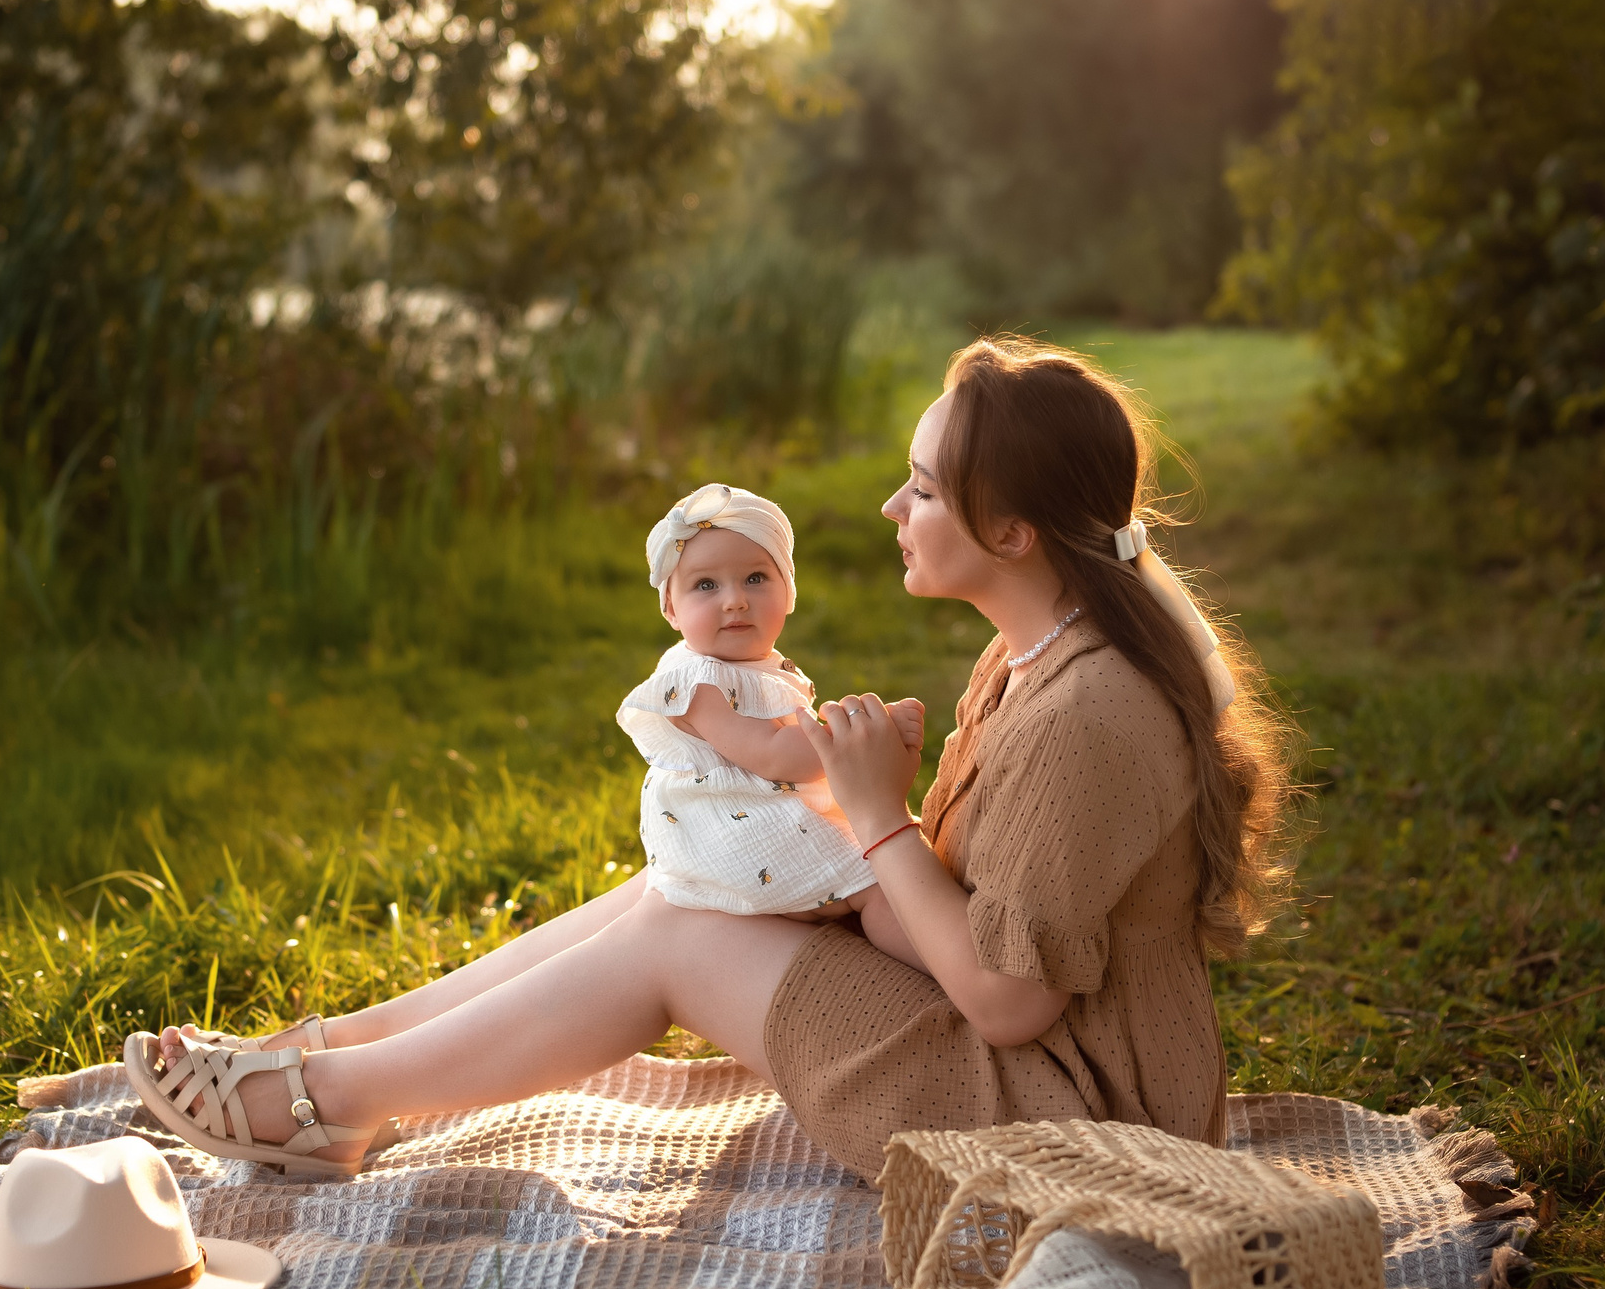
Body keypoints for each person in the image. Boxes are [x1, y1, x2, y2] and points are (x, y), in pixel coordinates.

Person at [124, 336, 1292, 1181]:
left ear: (1012, 531)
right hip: (1038, 1071)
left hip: (1067, 1122)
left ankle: (320, 1106)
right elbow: (969, 905)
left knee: (689, 927)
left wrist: (874, 816)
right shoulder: (1028, 655)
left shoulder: (1090, 711)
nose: (892, 503)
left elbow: (1004, 998)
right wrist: (836, 804)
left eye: (924, 486)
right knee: (691, 879)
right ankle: (349, 1049)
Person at [619, 480, 926, 969]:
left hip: (763, 810)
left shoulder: (749, 667)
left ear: (788, 592)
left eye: (756, 578)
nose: (735, 600)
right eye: (706, 585)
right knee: (876, 882)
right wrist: (871, 729)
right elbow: (774, 755)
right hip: (741, 835)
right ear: (671, 610)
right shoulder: (697, 684)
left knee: (891, 854)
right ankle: (945, 966)